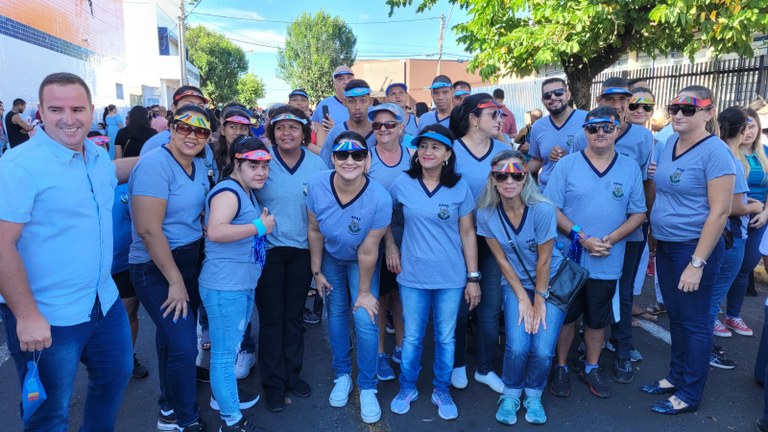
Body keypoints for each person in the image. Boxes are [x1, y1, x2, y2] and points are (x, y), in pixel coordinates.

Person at [0, 72, 138, 431]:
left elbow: (113, 173)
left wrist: (163, 155)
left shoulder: (93, 156)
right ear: (39, 113)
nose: (69, 118)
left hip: (103, 303)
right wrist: (27, 315)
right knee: (49, 415)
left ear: (92, 110)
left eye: (78, 108)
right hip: (47, 315)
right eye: (56, 109)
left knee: (113, 380)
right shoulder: (17, 167)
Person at [640, 86, 735, 415]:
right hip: (666, 246)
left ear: (709, 113)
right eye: (674, 108)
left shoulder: (716, 152)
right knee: (677, 318)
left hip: (693, 249)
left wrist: (697, 263)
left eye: (688, 109)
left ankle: (690, 394)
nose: (678, 114)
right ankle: (676, 377)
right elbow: (662, 193)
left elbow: (720, 212)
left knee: (694, 322)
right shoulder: (668, 144)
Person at [545, 106, 646, 400]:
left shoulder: (628, 167)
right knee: (565, 316)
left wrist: (611, 239)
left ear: (618, 129)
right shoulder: (567, 165)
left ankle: (591, 367)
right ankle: (561, 367)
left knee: (597, 318)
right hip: (569, 259)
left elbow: (638, 212)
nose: (599, 133)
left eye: (606, 127)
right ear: (584, 132)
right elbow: (550, 207)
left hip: (608, 258)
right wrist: (582, 237)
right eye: (592, 128)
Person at [129, 104, 214, 431]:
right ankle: (185, 417)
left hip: (187, 259)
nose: (192, 135)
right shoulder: (155, 165)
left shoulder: (197, 162)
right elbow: (149, 230)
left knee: (169, 341)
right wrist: (175, 281)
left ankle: (168, 409)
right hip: (156, 267)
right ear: (171, 128)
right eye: (184, 127)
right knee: (183, 344)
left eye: (201, 130)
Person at [386, 124, 479, 421]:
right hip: (412, 274)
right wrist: (391, 246)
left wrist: (473, 277)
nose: (427, 152)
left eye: (436, 147)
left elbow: (468, 234)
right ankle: (407, 387)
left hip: (450, 277)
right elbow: (384, 216)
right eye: (423, 146)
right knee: (412, 337)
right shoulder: (403, 183)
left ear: (448, 155)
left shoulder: (459, 187)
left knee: (446, 337)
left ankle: (441, 389)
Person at [569, 77, 654, 382]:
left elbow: (646, 186)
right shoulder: (584, 140)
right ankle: (582, 353)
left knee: (623, 291)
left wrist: (629, 230)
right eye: (610, 98)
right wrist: (585, 236)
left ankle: (623, 349)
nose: (616, 105)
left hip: (625, 232)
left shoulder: (643, 138)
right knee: (578, 298)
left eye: (623, 100)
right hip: (584, 237)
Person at [307, 131, 392, 424]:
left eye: (357, 154)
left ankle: (368, 385)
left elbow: (369, 250)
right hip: (330, 257)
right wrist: (316, 272)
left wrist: (365, 292)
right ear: (332, 158)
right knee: (336, 315)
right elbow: (315, 230)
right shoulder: (318, 184)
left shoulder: (380, 197)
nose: (349, 160)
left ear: (367, 160)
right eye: (342, 154)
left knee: (364, 318)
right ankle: (342, 373)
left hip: (361, 261)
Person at [475, 150, 565, 425]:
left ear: (526, 177)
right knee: (517, 345)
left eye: (516, 174)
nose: (509, 180)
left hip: (550, 282)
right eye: (502, 175)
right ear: (493, 180)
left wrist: (538, 300)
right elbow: (501, 259)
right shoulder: (486, 214)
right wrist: (522, 299)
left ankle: (534, 394)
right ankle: (512, 393)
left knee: (543, 347)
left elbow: (545, 260)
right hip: (515, 282)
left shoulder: (542, 209)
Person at [254, 106, 326, 412]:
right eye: (281, 128)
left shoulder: (317, 164)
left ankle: (292, 374)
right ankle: (273, 383)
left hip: (301, 250)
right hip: (269, 250)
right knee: (271, 319)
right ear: (273, 132)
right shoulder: (262, 160)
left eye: (293, 128)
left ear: (304, 132)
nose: (287, 133)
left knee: (294, 317)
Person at [201, 136, 274, 432]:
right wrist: (259, 226)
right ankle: (231, 421)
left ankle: (226, 400)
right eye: (253, 165)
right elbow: (216, 231)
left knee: (228, 352)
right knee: (223, 354)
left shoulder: (245, 190)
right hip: (224, 286)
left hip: (238, 283)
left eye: (265, 165)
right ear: (237, 163)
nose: (261, 172)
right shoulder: (228, 192)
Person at [448, 93, 510, 393]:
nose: (501, 120)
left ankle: (485, 369)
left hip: (493, 242)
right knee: (459, 310)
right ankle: (457, 362)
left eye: (500, 115)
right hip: (457, 242)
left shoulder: (504, 149)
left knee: (489, 310)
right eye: (493, 115)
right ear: (474, 118)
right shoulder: (452, 151)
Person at [707, 107, 763, 370]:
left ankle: (700, 344)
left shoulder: (715, 152)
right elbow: (733, 206)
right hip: (731, 235)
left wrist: (746, 202)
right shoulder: (731, 159)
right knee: (712, 297)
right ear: (742, 130)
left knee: (709, 295)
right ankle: (703, 348)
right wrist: (753, 207)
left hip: (722, 234)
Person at [367, 103, 411, 382]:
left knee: (402, 296)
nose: (383, 129)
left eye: (389, 124)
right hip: (377, 241)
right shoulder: (366, 158)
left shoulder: (415, 157)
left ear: (401, 127)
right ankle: (380, 352)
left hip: (410, 240)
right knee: (380, 298)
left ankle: (401, 348)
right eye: (377, 125)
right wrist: (389, 243)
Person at [727, 108, 768, 335]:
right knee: (726, 268)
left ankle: (733, 315)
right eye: (745, 126)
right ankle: (712, 315)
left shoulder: (765, 153)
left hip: (759, 219)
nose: (749, 131)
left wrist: (765, 213)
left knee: (745, 268)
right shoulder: (729, 153)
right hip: (734, 217)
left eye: (753, 126)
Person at [528, 78, 588, 192]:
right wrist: (516, 171)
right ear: (543, 101)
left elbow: (600, 155)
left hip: (579, 190)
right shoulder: (538, 126)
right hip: (547, 191)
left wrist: (570, 156)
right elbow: (536, 160)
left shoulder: (586, 119)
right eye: (547, 95)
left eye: (558, 92)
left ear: (568, 95)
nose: (553, 97)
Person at [319, 79, 377, 168]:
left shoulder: (379, 132)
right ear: (344, 102)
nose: (357, 107)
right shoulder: (335, 133)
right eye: (351, 101)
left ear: (370, 101)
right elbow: (324, 167)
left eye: (363, 101)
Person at [311, 65, 355, 151]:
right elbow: (314, 132)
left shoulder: (364, 106)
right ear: (334, 84)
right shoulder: (323, 105)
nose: (345, 82)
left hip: (358, 157)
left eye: (349, 78)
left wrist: (335, 129)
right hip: (331, 158)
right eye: (340, 79)